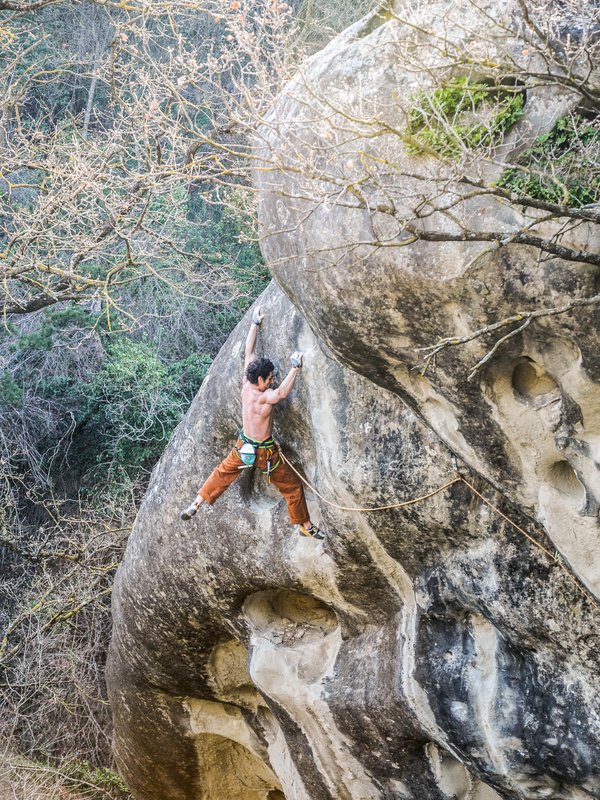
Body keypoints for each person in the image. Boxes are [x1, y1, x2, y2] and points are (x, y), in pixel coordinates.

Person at [179, 306, 325, 539]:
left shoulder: (247, 384)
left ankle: (197, 503)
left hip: (243, 446)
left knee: (222, 473)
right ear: (260, 379)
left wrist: (254, 323)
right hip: (265, 455)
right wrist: (295, 368)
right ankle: (305, 526)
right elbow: (281, 394)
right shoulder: (265, 397)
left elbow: (249, 351)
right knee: (292, 487)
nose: (273, 381)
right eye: (270, 378)